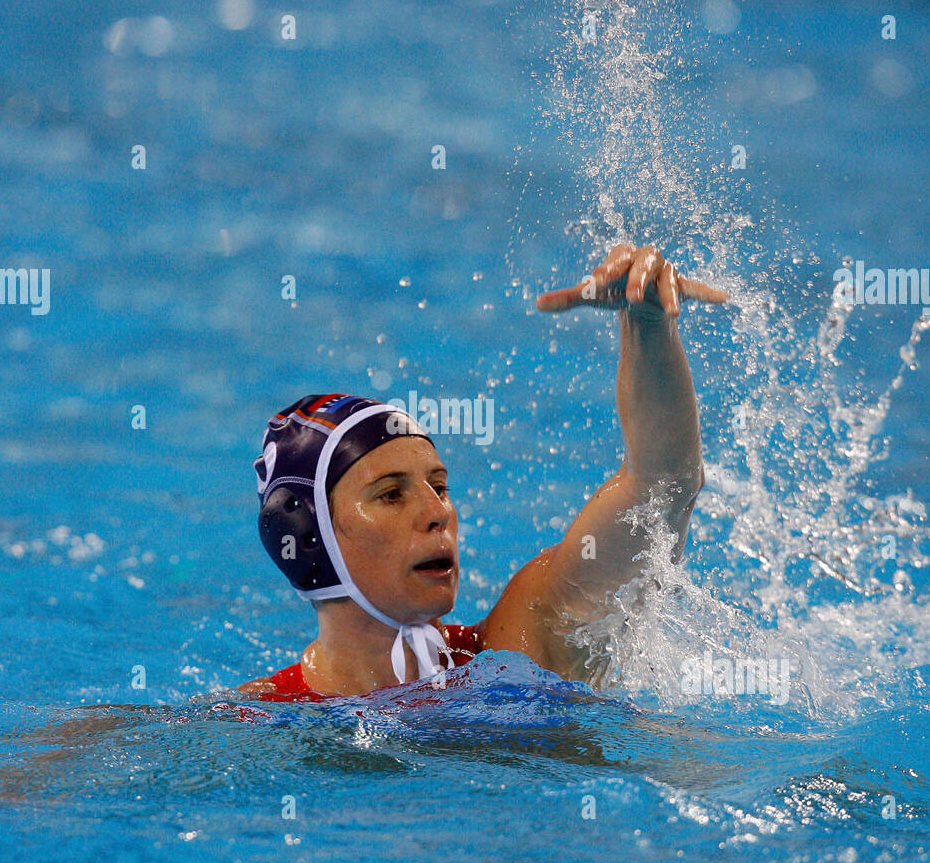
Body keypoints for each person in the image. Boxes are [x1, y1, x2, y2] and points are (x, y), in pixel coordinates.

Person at [237, 243, 727, 703]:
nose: (437, 513)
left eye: (440, 486)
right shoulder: (262, 717)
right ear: (308, 537)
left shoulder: (521, 643)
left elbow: (661, 488)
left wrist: (646, 324)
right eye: (390, 495)